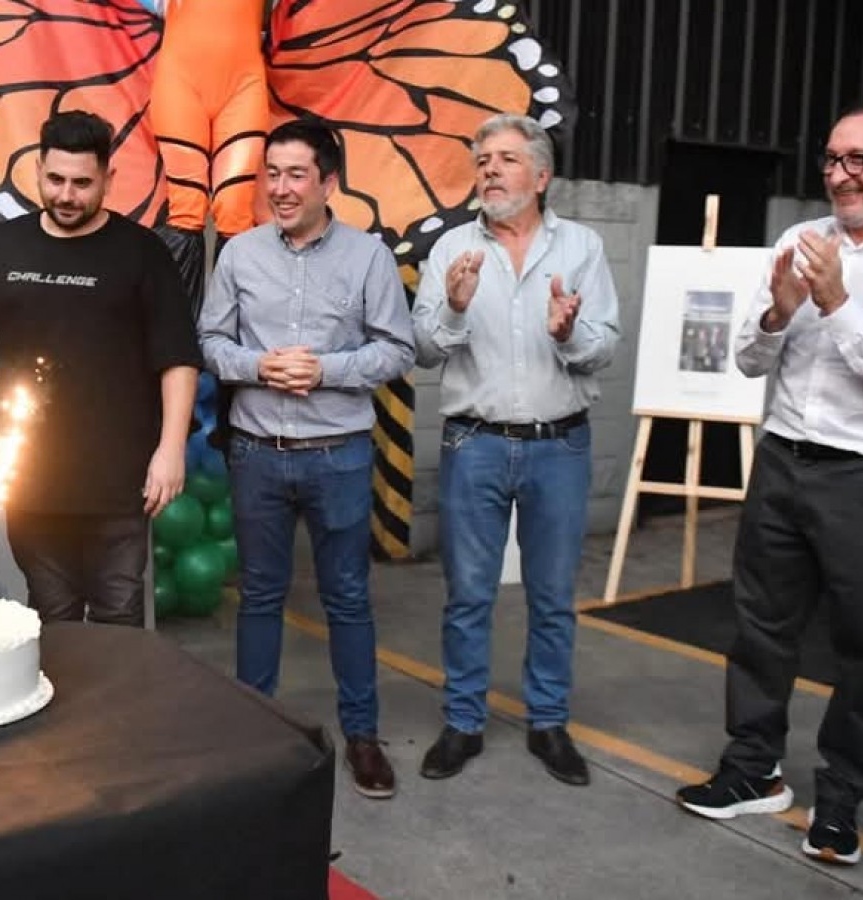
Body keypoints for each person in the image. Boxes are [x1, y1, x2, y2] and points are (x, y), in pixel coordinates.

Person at [674, 102, 863, 865]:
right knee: (760, 630)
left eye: (859, 160)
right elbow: (748, 361)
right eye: (832, 160)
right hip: (783, 459)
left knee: (858, 648)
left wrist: (837, 302)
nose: (840, 176)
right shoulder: (798, 240)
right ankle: (752, 771)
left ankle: (838, 803)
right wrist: (778, 314)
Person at [198, 119, 415, 800]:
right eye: (272, 174)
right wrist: (258, 366)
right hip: (258, 454)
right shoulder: (239, 255)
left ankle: (363, 737)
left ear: (329, 181)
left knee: (347, 598)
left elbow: (396, 349)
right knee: (259, 596)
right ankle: (252, 730)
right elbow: (209, 340)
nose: (280, 189)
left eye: (296, 175)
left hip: (339, 456)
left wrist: (324, 370)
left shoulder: (369, 258)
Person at [410, 113, 620, 787]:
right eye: (482, 160)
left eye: (504, 158)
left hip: (559, 446)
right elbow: (423, 349)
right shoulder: (451, 250)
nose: (490, 170)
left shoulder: (581, 246)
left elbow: (604, 346)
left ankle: (549, 722)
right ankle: (463, 722)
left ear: (541, 174)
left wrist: (567, 334)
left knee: (552, 595)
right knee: (468, 594)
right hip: (474, 445)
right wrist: (455, 306)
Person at [0, 110, 200, 626]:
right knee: (51, 621)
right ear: (37, 170)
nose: (66, 195)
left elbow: (178, 358)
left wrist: (171, 451)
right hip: (31, 480)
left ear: (108, 178)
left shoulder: (143, 253)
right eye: (55, 179)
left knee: (118, 621)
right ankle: (68, 712)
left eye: (83, 183)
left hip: (121, 484)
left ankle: (117, 712)